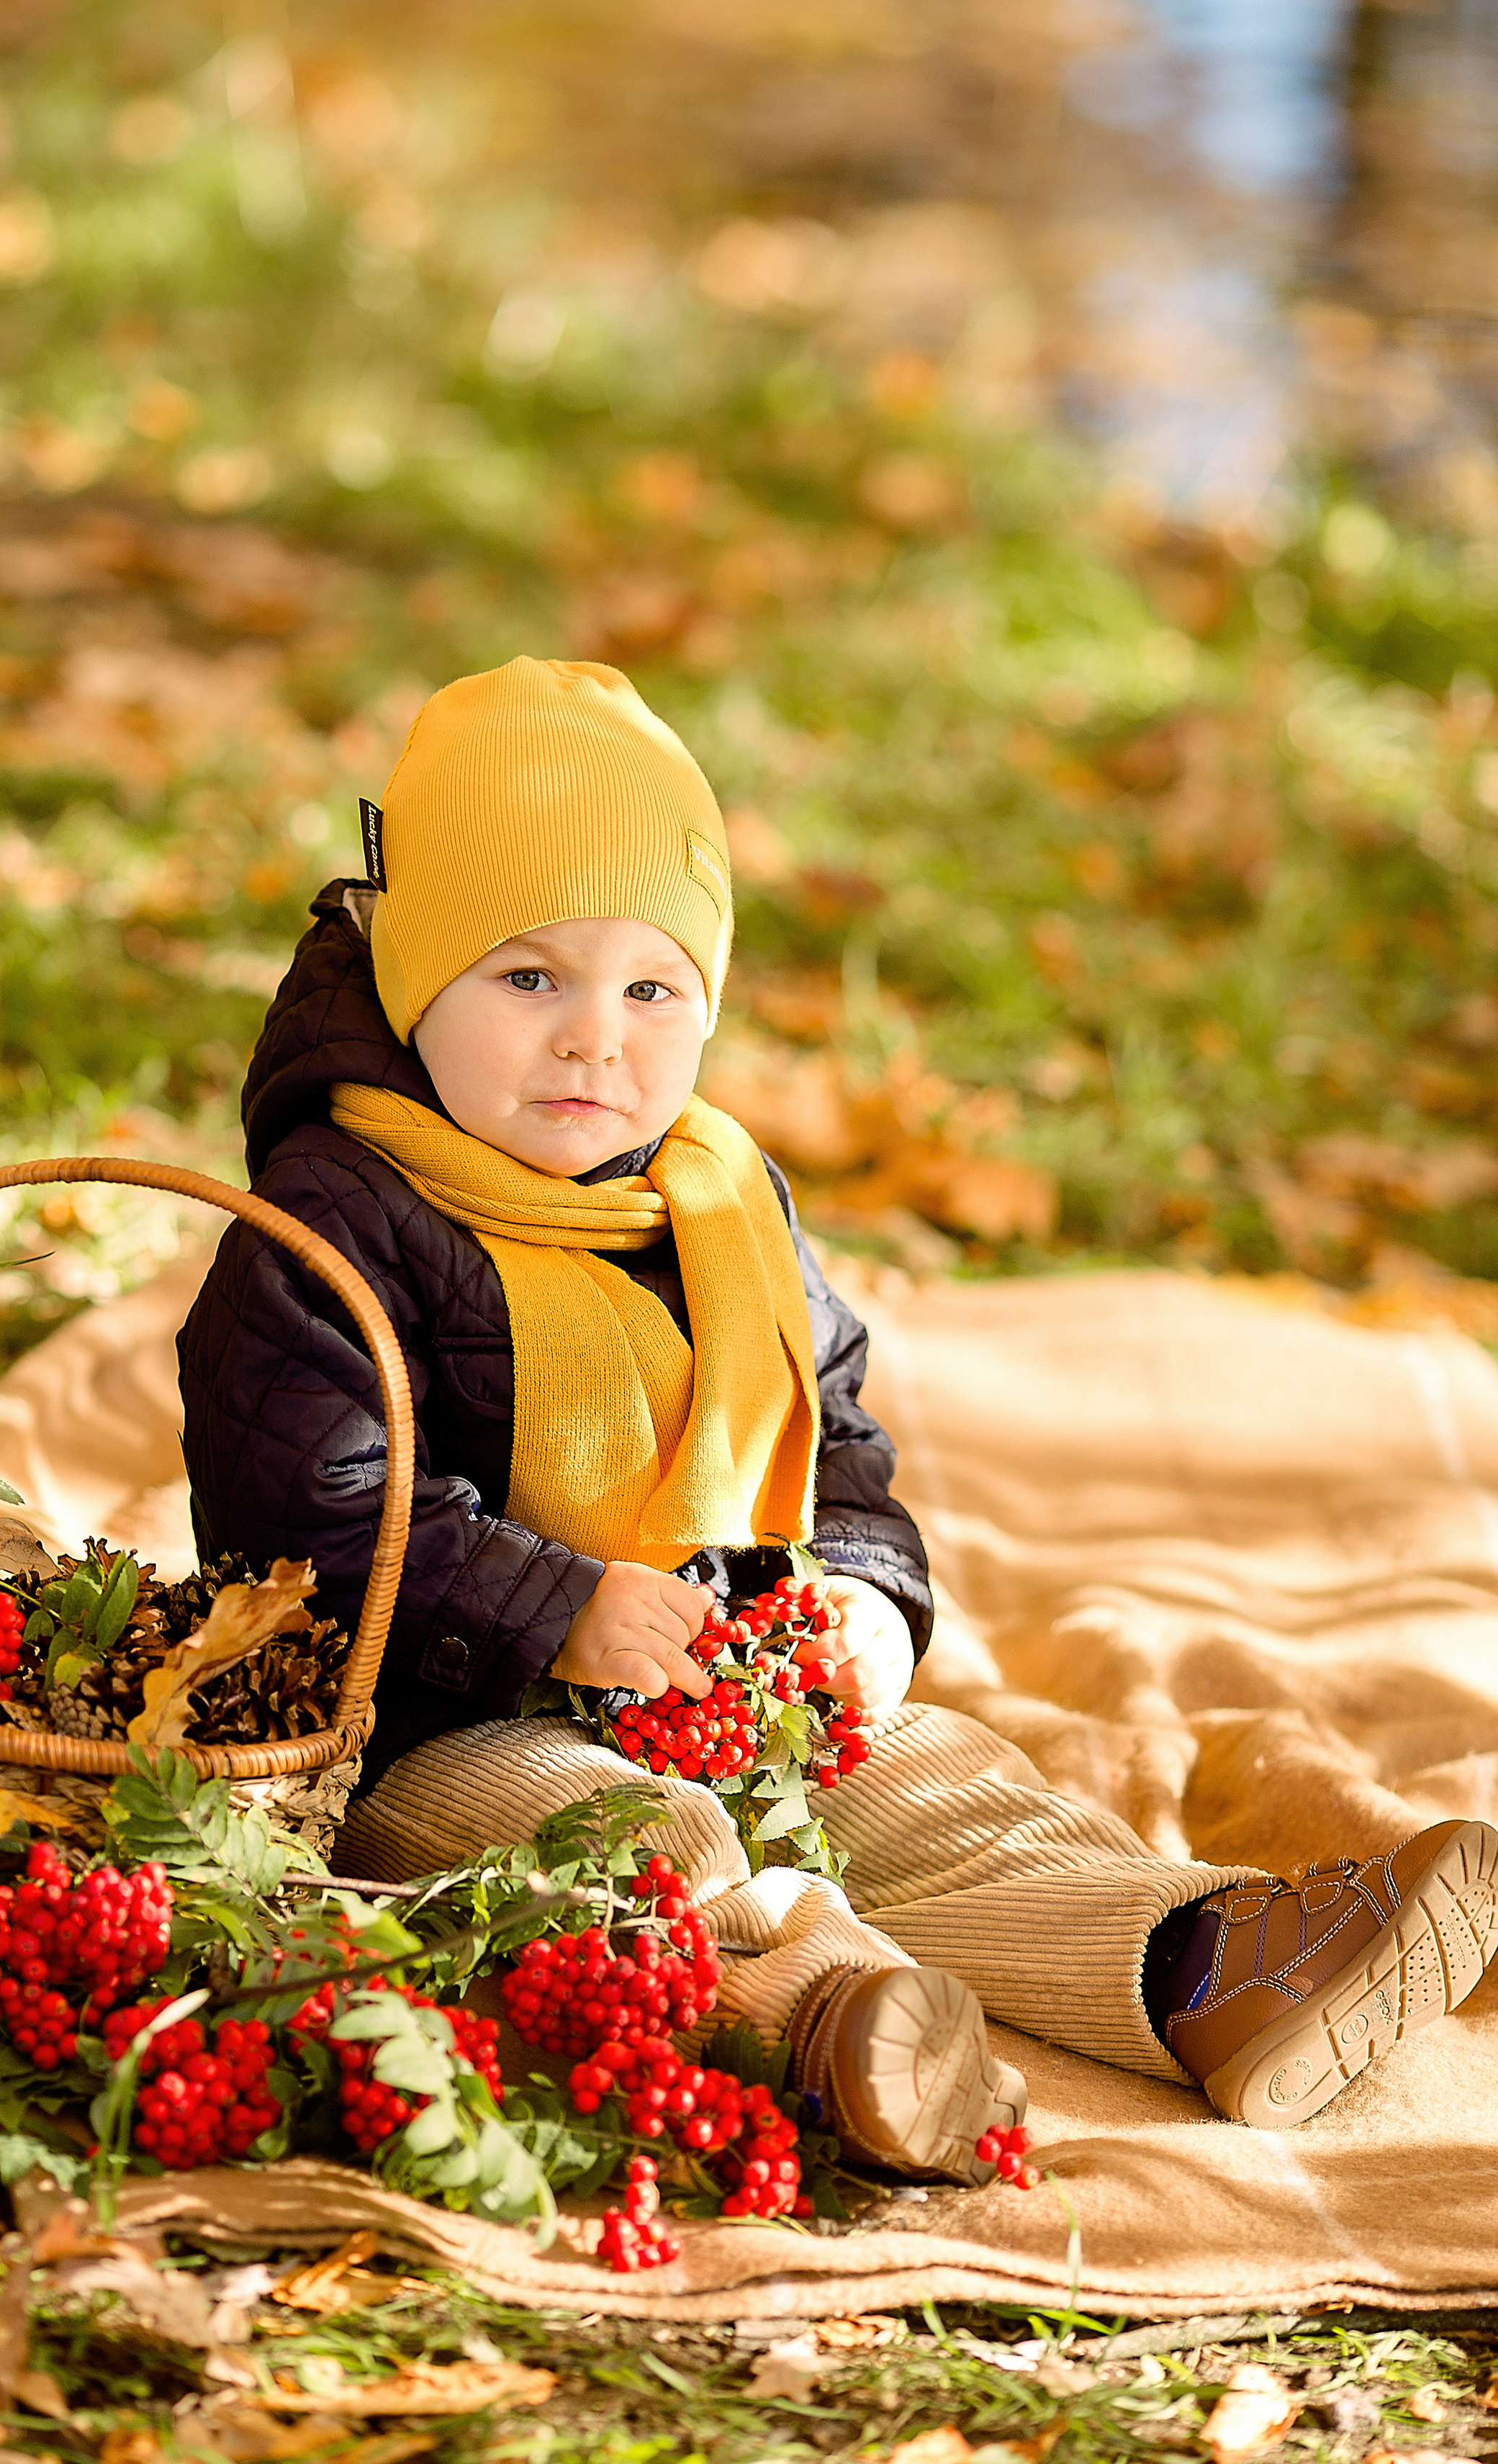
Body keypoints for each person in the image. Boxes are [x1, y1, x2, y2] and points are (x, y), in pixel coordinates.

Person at [179, 655, 1498, 2178]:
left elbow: (835, 1440)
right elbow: (310, 1515)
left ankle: (1197, 1968)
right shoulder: (330, 1219)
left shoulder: (718, 1197)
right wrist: (553, 1607)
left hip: (709, 1682)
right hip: (427, 1726)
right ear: (417, 982)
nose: (594, 1037)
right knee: (626, 1841)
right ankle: (830, 2020)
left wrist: (864, 1599)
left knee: (935, 1780)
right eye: (527, 978)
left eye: (651, 988)